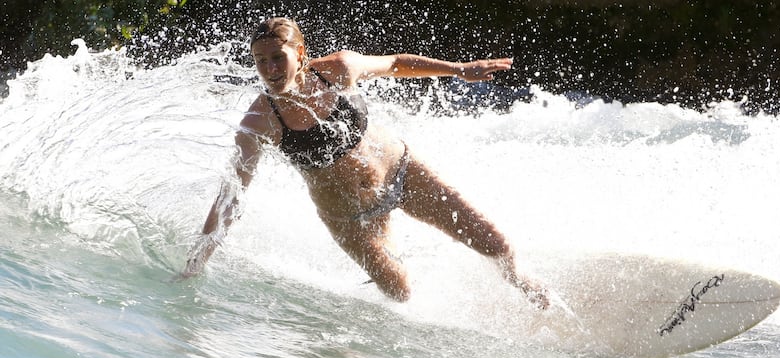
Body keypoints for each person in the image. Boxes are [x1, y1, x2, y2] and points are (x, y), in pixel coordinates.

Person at [182, 17, 549, 309]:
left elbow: (396, 64)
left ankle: (529, 288)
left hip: (403, 176)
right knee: (401, 293)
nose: (270, 69)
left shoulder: (339, 68)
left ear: (300, 52)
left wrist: (458, 69)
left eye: (278, 57)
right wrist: (196, 263)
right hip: (349, 218)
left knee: (496, 243)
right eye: (261, 61)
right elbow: (231, 195)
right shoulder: (259, 121)